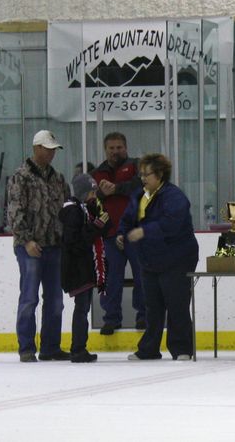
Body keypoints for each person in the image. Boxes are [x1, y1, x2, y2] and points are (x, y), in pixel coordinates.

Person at [118, 153, 199, 361]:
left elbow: (172, 223)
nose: (143, 178)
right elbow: (128, 218)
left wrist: (144, 232)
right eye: (141, 174)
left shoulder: (174, 197)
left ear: (160, 174)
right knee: (152, 306)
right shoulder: (140, 196)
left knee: (176, 304)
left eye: (147, 174)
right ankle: (149, 348)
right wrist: (122, 233)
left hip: (177, 258)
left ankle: (181, 348)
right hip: (150, 259)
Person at [7, 130, 71, 362]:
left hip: (54, 245)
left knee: (55, 300)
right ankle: (26, 347)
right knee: (29, 297)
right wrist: (26, 240)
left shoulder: (58, 178)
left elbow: (66, 208)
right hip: (30, 246)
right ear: (36, 148)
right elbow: (15, 211)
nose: (52, 153)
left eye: (54, 149)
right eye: (48, 148)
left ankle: (50, 347)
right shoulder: (20, 176)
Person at [91, 132, 146, 334]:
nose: (115, 151)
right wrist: (99, 193)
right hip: (110, 235)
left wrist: (116, 189)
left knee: (141, 275)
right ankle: (111, 318)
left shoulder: (137, 165)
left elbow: (141, 186)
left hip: (135, 233)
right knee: (111, 279)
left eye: (119, 147)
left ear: (126, 147)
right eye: (111, 148)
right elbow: (90, 199)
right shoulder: (97, 173)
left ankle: (143, 316)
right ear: (105, 150)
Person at [59, 174, 111, 362]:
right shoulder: (74, 212)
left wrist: (100, 222)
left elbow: (103, 227)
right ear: (82, 193)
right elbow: (75, 242)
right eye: (90, 192)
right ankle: (78, 348)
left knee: (83, 308)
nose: (93, 195)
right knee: (82, 308)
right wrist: (96, 226)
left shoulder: (87, 208)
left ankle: (79, 347)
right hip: (77, 269)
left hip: (84, 267)